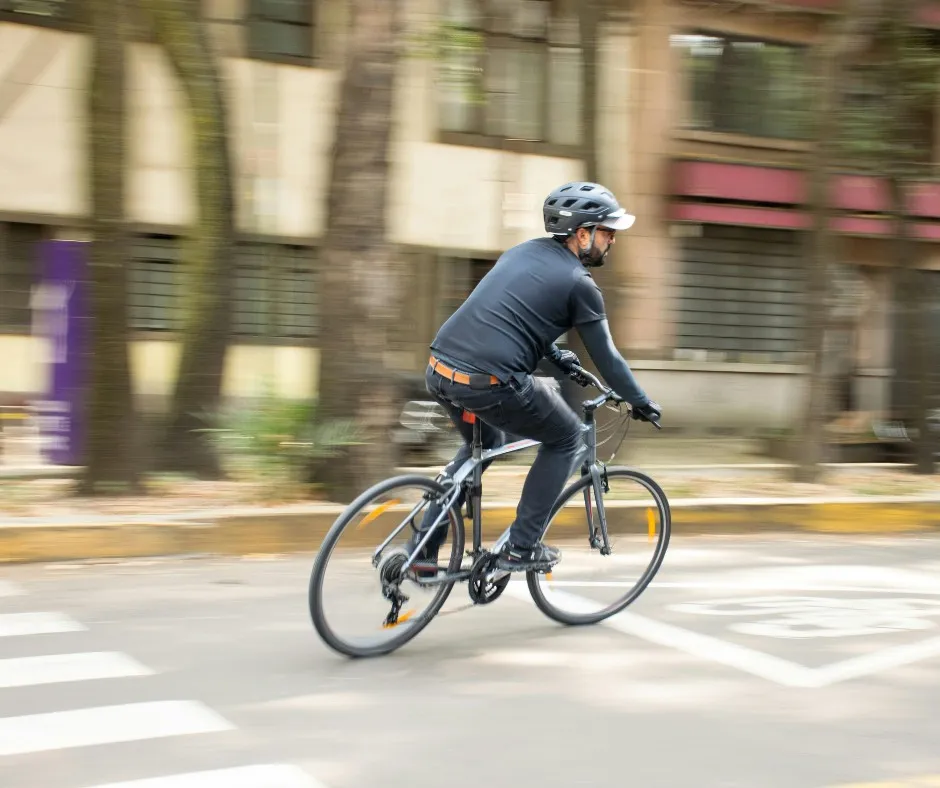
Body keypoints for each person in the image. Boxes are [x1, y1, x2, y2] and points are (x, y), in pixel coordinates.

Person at [410, 181, 662, 573]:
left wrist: (557, 355)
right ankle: (522, 547)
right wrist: (640, 401)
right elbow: (608, 359)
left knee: (484, 443)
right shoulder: (581, 284)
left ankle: (422, 553)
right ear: (582, 234)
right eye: (607, 232)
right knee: (567, 438)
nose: (612, 241)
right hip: (488, 383)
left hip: (440, 370)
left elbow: (509, 318)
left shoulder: (521, 253)